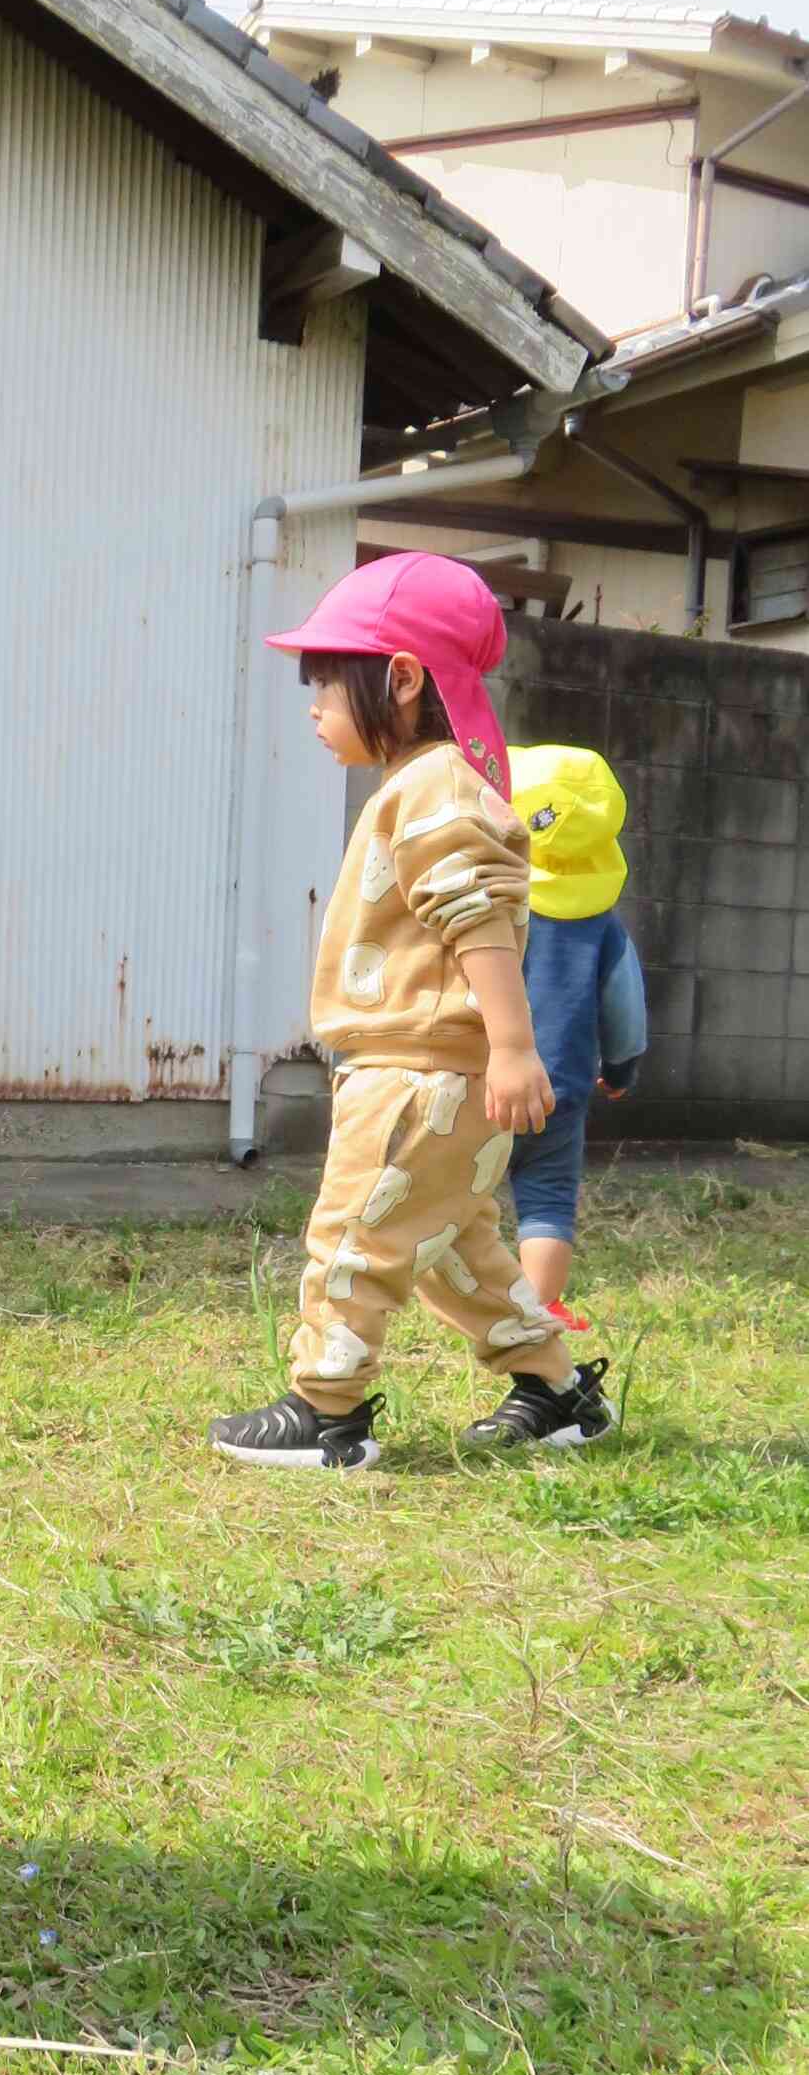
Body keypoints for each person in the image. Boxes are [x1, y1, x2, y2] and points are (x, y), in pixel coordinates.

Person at [210, 552, 615, 1468]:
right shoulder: (429, 784)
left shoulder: (433, 786)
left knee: (354, 1232)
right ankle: (556, 1392)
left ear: (398, 678)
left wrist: (513, 1043)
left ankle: (326, 1411)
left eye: (326, 683)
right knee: (453, 1251)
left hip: (416, 1073)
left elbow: (474, 917)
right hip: (438, 1076)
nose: (312, 707)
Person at [506, 744, 648, 1332]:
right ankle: (538, 1310)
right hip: (558, 1088)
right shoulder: (602, 928)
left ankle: (452, 1292)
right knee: (546, 1198)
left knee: (449, 1195)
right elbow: (626, 1008)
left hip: (477, 1084)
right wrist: (620, 1071)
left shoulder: (492, 909)